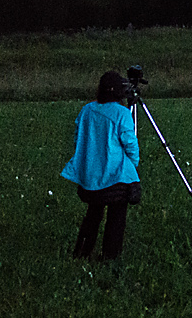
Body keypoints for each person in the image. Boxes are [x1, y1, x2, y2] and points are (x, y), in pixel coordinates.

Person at [61, 70, 142, 260]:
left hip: (90, 177)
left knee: (93, 214)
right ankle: (110, 256)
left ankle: (81, 251)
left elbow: (77, 139)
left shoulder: (87, 110)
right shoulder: (121, 113)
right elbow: (130, 143)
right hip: (116, 178)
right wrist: (133, 165)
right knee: (116, 218)